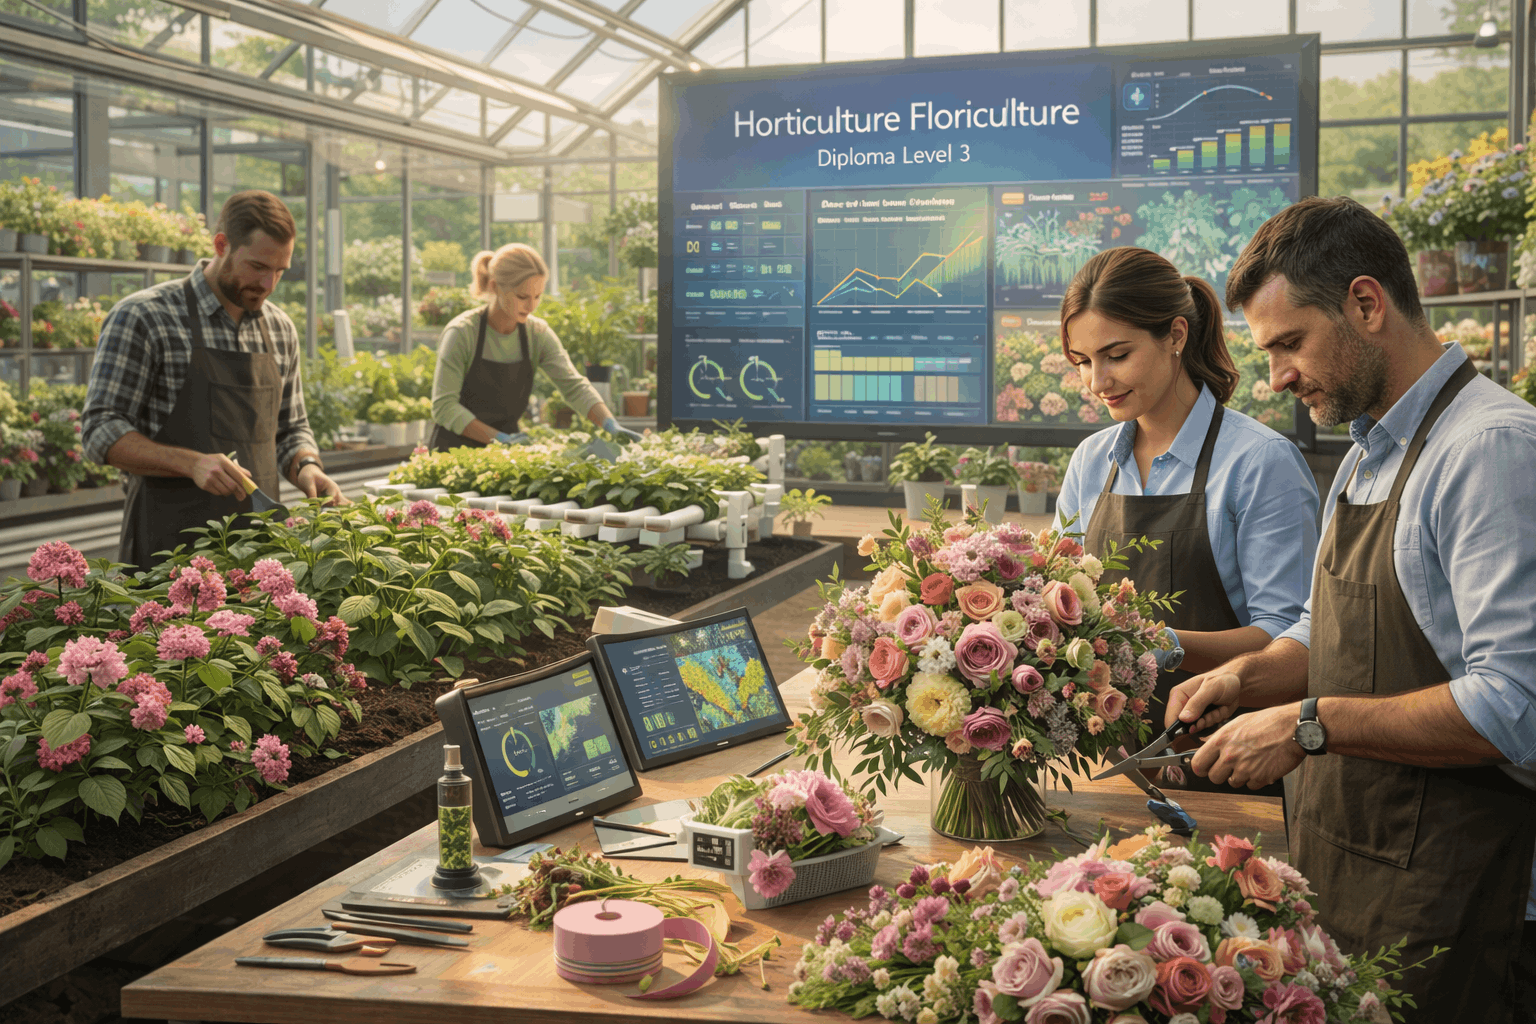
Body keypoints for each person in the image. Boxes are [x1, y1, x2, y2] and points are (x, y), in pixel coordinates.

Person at [1168, 196, 1536, 1021]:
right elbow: (1332, 630)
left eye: (1289, 343)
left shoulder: (1489, 450)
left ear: (1367, 304)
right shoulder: (1370, 452)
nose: (1277, 378)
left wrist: (1307, 724)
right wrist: (1252, 675)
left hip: (1458, 903)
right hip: (1353, 878)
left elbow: (1517, 706)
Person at [1053, 247, 1319, 792]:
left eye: (1116, 355)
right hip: (1109, 765)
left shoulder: (1259, 462)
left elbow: (1291, 638)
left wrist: (1163, 641)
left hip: (1233, 764)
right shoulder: (1091, 461)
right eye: (1081, 361)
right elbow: (1060, 602)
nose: (1096, 381)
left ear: (1175, 335)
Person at [82, 190, 342, 574]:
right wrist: (191, 463)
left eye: (280, 271)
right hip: (166, 552)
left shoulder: (280, 328)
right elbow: (99, 431)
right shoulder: (145, 317)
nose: (268, 282)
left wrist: (307, 466)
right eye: (257, 266)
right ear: (222, 245)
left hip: (259, 554)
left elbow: (291, 428)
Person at [430, 243, 642, 450]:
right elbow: (444, 407)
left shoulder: (536, 334)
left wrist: (610, 424)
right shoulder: (462, 333)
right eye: (522, 297)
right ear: (495, 287)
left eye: (538, 296)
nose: (531, 306)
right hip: (453, 453)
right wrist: (500, 440)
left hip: (508, 454)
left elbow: (574, 386)